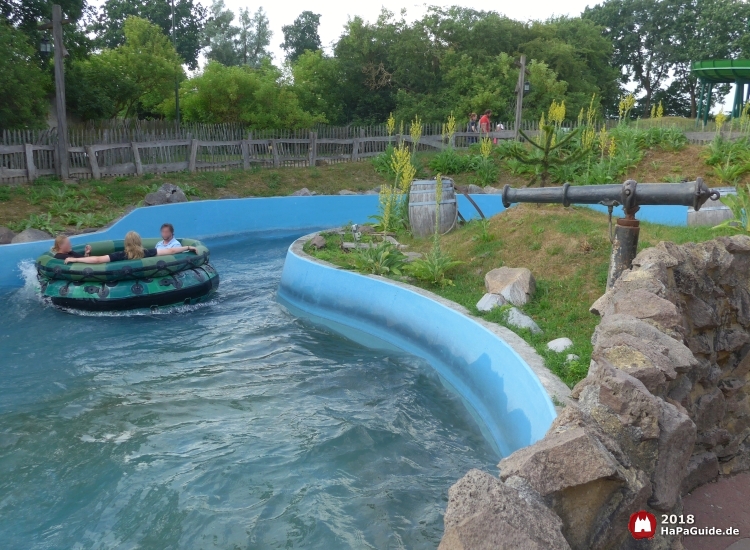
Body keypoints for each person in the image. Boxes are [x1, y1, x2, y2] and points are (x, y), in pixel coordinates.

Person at [64, 231, 197, 265]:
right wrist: (188, 247)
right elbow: (171, 251)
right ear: (139, 242)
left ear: (126, 243)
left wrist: (75, 260)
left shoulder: (121, 255)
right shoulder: (147, 252)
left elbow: (98, 260)